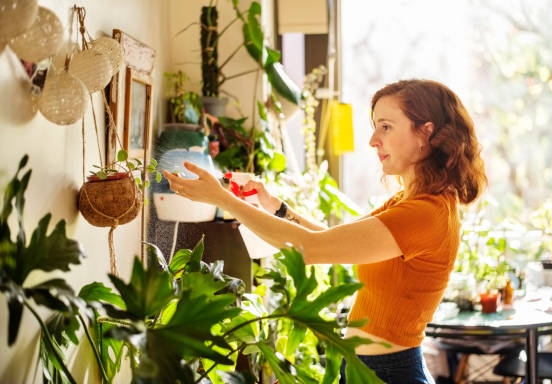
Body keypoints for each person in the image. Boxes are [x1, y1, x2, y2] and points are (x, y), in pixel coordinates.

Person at [163, 79, 487, 384]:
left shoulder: (423, 213)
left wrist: (222, 199)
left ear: (425, 133)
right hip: (370, 369)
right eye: (375, 127)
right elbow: (334, 242)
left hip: (389, 373)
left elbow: (310, 249)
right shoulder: (410, 202)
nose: (374, 141)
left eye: (386, 127)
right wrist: (276, 206)